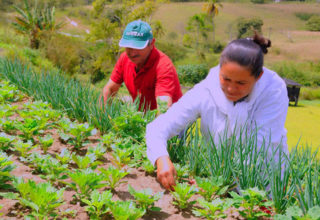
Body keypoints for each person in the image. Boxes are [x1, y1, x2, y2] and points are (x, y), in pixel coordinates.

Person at [146, 33, 289, 191]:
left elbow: (261, 149)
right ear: (220, 69)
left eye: (241, 83)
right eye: (226, 79)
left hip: (264, 182)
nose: (231, 89)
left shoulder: (272, 90)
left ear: (258, 76)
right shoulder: (207, 89)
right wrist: (161, 158)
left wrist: (219, 182)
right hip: (218, 180)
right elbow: (158, 127)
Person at [101, 20, 182, 111]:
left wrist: (155, 125)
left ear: (151, 44)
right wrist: (103, 118)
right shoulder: (125, 59)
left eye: (138, 47)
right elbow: (110, 89)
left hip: (171, 121)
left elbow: (163, 106)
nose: (132, 52)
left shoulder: (163, 66)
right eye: (128, 47)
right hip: (143, 118)